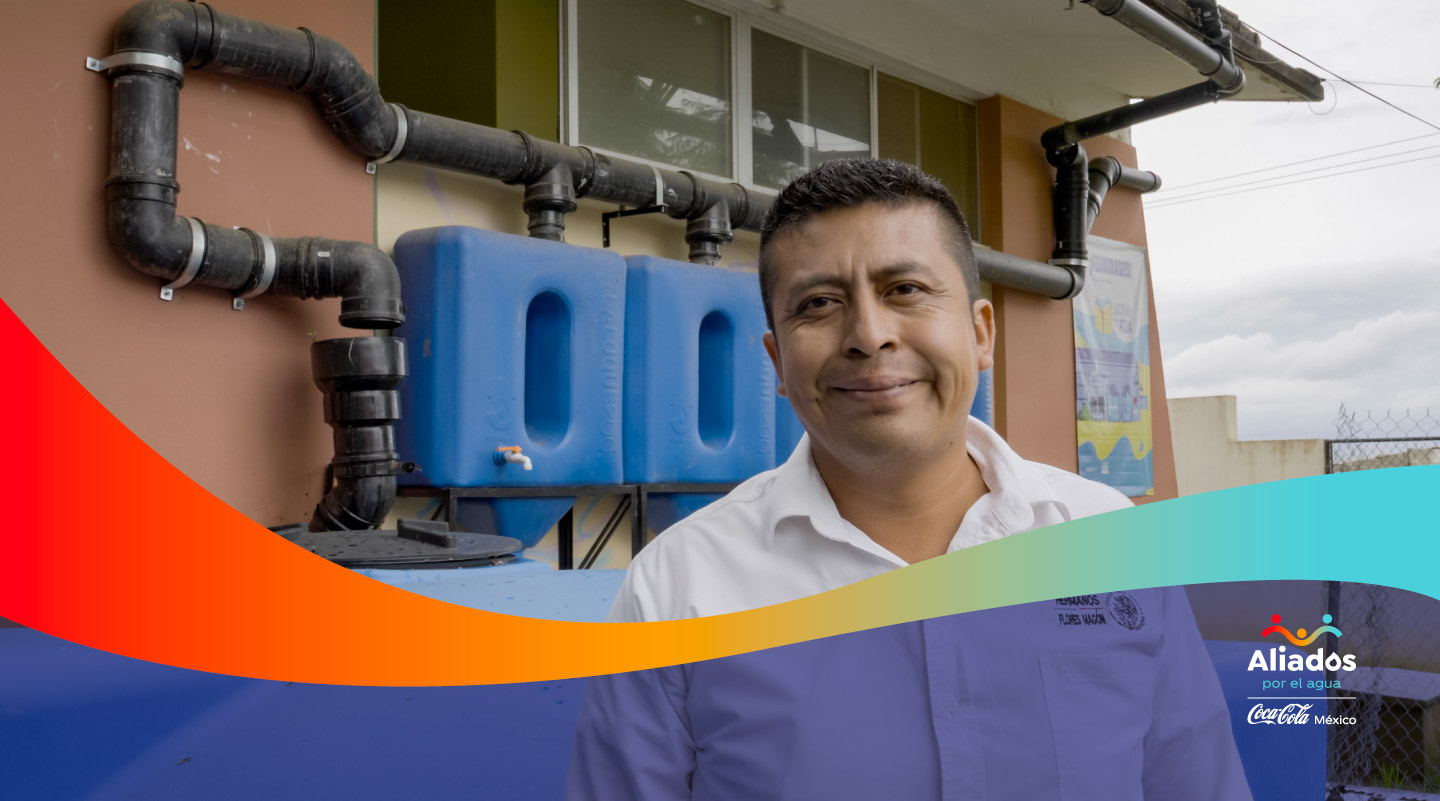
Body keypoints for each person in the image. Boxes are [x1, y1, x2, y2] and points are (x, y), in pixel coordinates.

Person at [565, 159, 1251, 800]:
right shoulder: (679, 589)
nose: (868, 334)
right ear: (777, 359)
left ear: (981, 333)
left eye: (906, 289)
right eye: (818, 304)